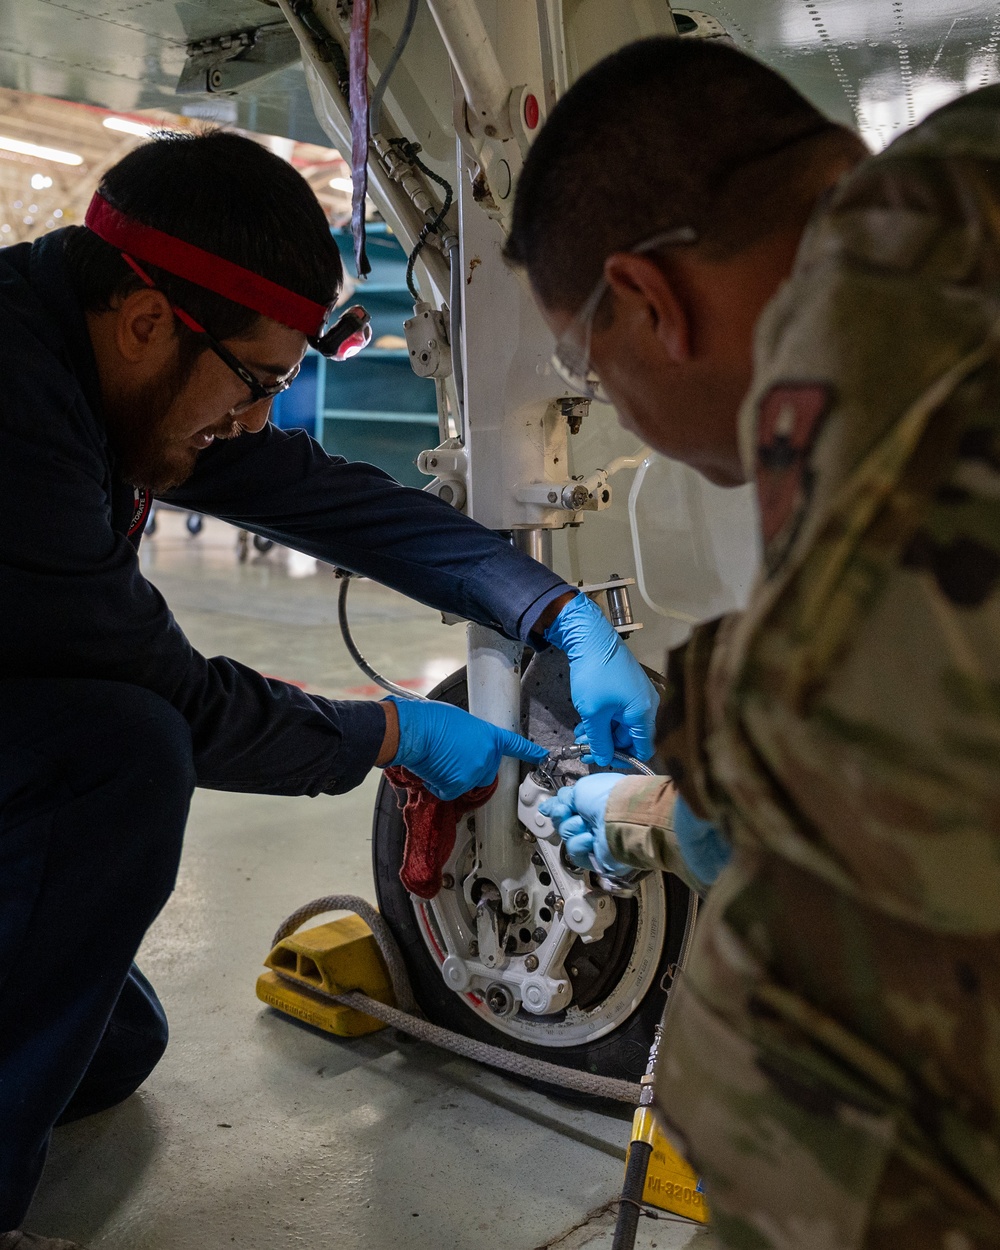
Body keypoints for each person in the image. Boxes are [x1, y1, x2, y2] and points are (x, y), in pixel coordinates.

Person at [0, 129, 658, 1248]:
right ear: (150, 318)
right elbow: (170, 695)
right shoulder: (15, 406)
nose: (258, 417)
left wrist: (554, 611)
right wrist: (389, 731)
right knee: (123, 751)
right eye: (256, 382)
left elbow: (326, 497)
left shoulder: (109, 347)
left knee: (113, 1048)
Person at [506, 34, 1000, 1250]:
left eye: (584, 359)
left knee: (781, 1005)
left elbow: (865, 761)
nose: (605, 399)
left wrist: (673, 776)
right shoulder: (957, 213)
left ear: (650, 300)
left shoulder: (871, 304)